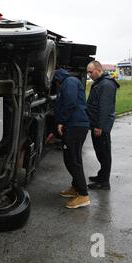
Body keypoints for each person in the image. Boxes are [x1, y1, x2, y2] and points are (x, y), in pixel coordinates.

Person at [54, 68, 91, 209]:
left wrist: (62, 121)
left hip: (75, 125)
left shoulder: (68, 82)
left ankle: (83, 195)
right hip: (76, 125)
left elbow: (69, 103)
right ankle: (76, 188)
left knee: (72, 160)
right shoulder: (70, 81)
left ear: (57, 79)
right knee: (74, 158)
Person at [86, 61, 120, 190]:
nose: (89, 75)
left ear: (99, 70)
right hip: (96, 124)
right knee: (100, 152)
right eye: (88, 72)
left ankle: (104, 182)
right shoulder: (101, 82)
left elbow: (105, 108)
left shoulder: (106, 84)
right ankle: (101, 176)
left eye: (91, 72)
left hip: (101, 126)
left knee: (104, 153)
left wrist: (99, 126)